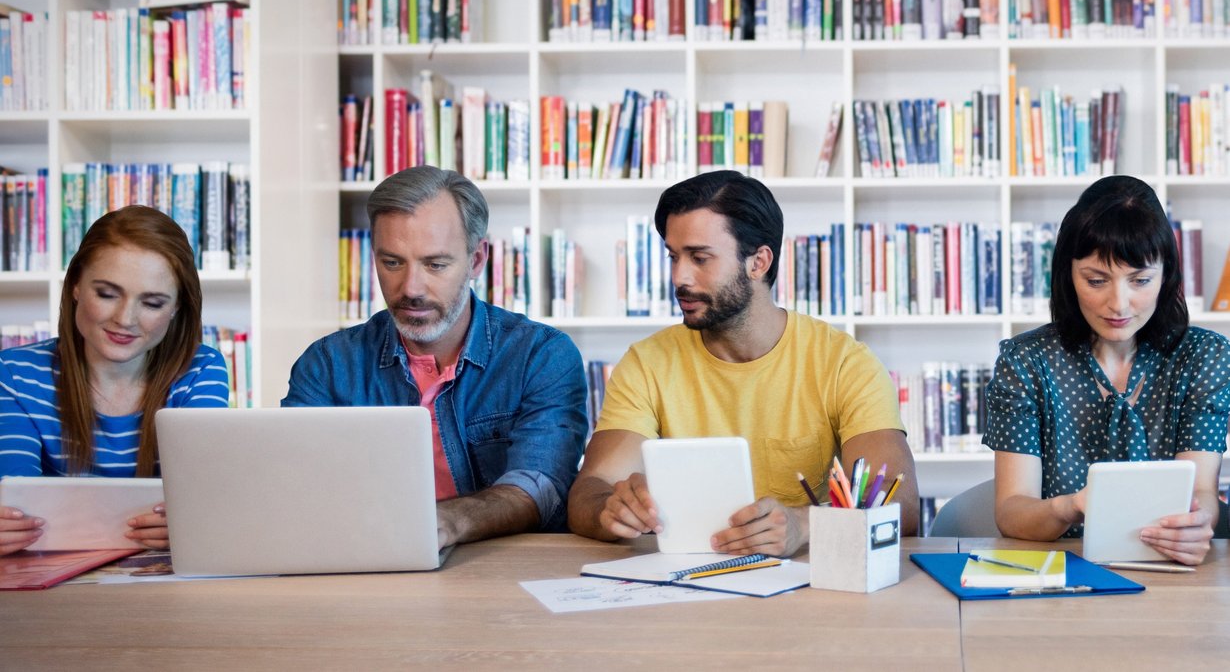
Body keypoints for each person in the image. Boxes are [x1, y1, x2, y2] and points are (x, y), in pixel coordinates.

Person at [568, 170, 920, 557]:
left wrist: (804, 525)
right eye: (673, 257)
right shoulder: (647, 364)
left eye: (700, 258)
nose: (679, 277)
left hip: (809, 578)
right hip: (684, 575)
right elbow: (590, 489)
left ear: (758, 262)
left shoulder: (843, 363)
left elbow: (900, 505)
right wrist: (609, 509)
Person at [282, 166, 588, 549]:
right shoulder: (326, 365)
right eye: (392, 263)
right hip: (368, 559)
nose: (412, 288)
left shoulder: (540, 356)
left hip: (504, 567)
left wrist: (444, 523)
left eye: (435, 265)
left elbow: (540, 487)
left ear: (477, 260)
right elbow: (295, 484)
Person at [985, 175, 1229, 565]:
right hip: (1061, 571)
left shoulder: (1204, 357)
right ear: (1068, 275)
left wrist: (1199, 523)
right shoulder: (1026, 361)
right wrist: (1070, 506)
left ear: (1166, 275)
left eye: (1140, 280)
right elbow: (1012, 511)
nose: (1119, 303)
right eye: (1096, 280)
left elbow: (1200, 490)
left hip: (1169, 568)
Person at [0, 205, 231, 555]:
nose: (125, 318)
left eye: (152, 303)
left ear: (177, 308)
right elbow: (17, 502)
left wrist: (195, 522)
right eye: (107, 294)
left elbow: (200, 497)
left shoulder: (199, 369)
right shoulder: (14, 374)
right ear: (75, 285)